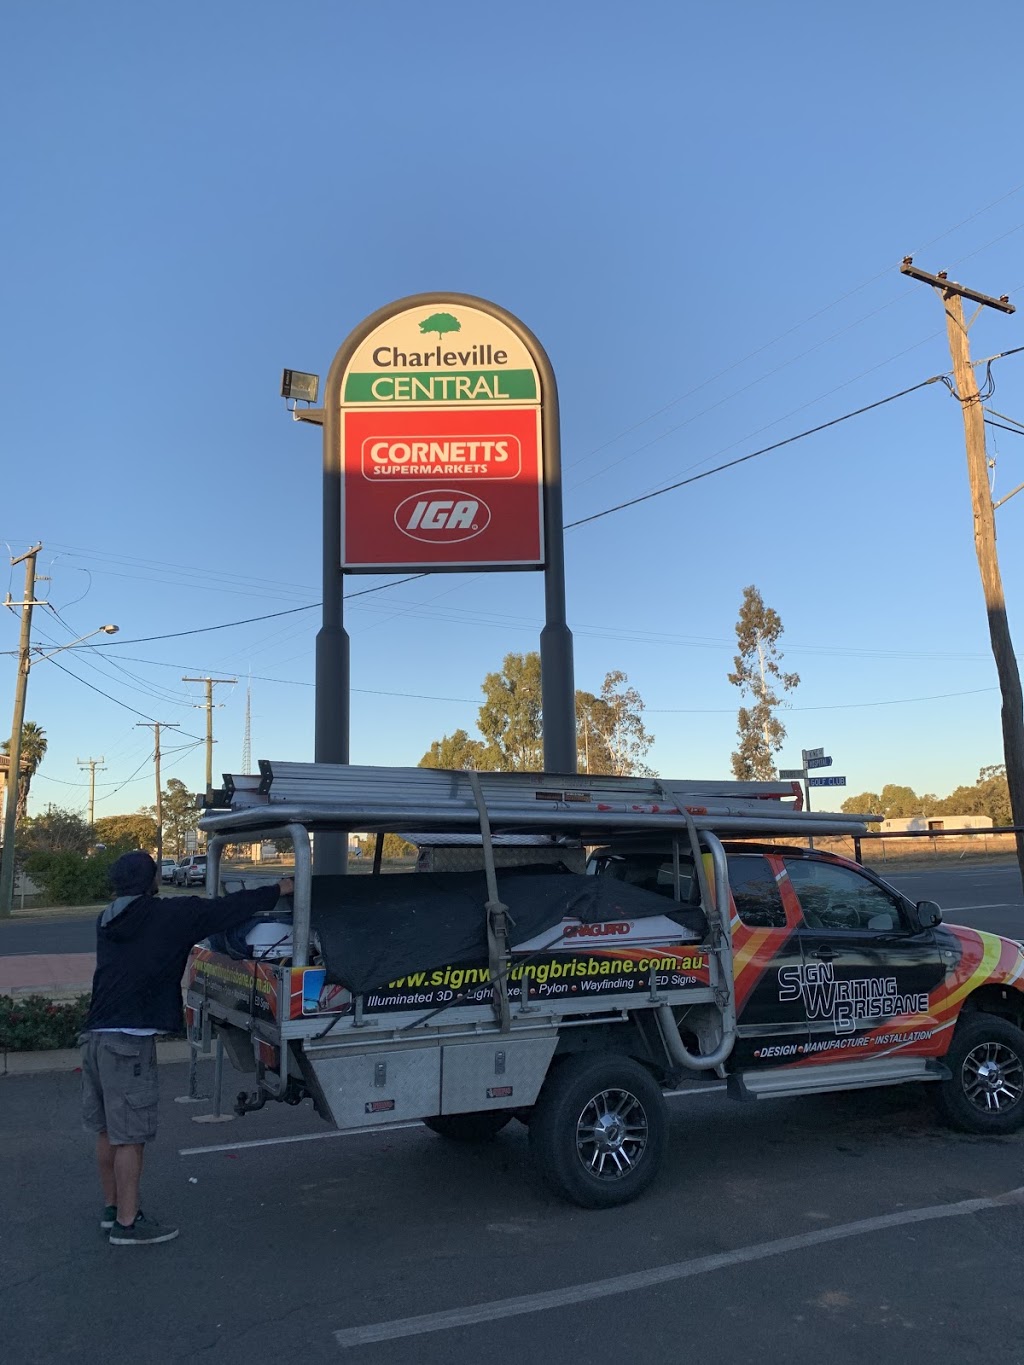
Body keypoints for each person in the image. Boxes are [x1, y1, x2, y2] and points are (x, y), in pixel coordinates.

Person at [81, 849, 293, 1246]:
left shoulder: (108, 917)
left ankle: (112, 1210)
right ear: (152, 880)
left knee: (108, 1130)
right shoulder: (166, 915)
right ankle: (129, 1224)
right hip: (129, 1042)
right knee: (130, 1136)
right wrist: (280, 887)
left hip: (95, 1036)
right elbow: (227, 909)